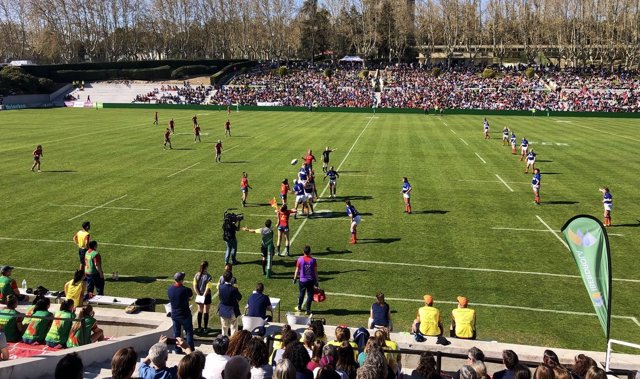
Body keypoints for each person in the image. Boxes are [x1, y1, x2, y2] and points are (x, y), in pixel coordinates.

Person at [168, 271, 195, 351]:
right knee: (189, 332)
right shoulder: (185, 290)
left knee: (177, 333)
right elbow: (191, 297)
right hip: (185, 315)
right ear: (181, 280)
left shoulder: (170, 289)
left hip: (175, 315)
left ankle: (177, 349)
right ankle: (190, 350)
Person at [293, 245, 318, 315]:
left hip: (302, 280)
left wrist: (294, 278)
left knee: (301, 293)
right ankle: (308, 310)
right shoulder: (313, 260)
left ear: (303, 252)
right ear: (310, 252)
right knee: (310, 295)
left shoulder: (300, 259)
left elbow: (297, 270)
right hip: (311, 281)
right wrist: (317, 281)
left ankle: (299, 307)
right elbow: (316, 272)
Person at [218, 270, 242, 336]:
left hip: (223, 310)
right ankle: (233, 344)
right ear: (231, 278)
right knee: (234, 329)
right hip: (232, 311)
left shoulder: (220, 287)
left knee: (224, 329)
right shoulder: (234, 289)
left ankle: (223, 344)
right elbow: (239, 297)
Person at [193, 261, 213, 333]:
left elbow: (194, 286)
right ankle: (205, 328)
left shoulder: (196, 275)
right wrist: (204, 296)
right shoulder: (209, 276)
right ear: (206, 267)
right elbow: (208, 288)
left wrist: (198, 294)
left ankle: (199, 327)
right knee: (206, 311)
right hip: (206, 296)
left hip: (199, 295)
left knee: (200, 310)